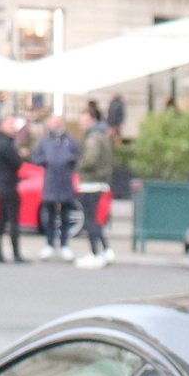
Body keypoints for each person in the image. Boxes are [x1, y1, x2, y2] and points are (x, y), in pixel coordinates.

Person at [32, 114, 82, 261]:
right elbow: (35, 158)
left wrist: (71, 160)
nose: (56, 125)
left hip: (65, 181)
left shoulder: (71, 141)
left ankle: (65, 245)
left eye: (58, 122)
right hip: (50, 182)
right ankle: (49, 244)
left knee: (65, 215)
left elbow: (79, 156)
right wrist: (45, 161)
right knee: (49, 216)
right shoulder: (44, 141)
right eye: (53, 123)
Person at [75, 110, 116, 267]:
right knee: (97, 220)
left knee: (90, 220)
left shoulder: (92, 138)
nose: (81, 124)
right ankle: (106, 250)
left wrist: (78, 165)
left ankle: (95, 254)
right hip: (100, 184)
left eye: (84, 121)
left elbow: (90, 160)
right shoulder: (103, 136)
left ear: (92, 120)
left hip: (91, 184)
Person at [0, 114, 26, 264]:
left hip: (1, 185)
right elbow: (17, 162)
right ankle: (16, 254)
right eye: (9, 125)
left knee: (2, 220)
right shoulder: (5, 144)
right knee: (12, 221)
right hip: (8, 185)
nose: (13, 128)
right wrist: (20, 154)